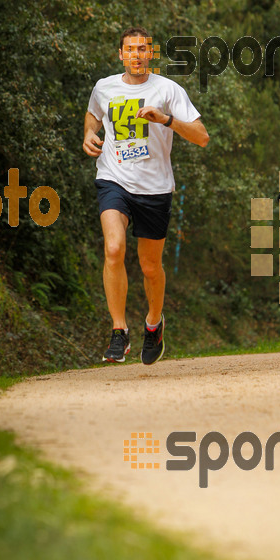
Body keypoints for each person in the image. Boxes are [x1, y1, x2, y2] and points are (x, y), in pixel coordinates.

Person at [83, 26, 209, 365]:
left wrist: (166, 120)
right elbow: (94, 115)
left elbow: (201, 136)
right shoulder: (104, 87)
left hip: (154, 188)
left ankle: (154, 323)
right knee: (113, 248)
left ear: (150, 53)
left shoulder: (168, 90)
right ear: (120, 54)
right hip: (113, 179)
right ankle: (118, 331)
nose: (137, 54)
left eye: (143, 49)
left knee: (150, 267)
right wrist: (89, 135)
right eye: (130, 49)